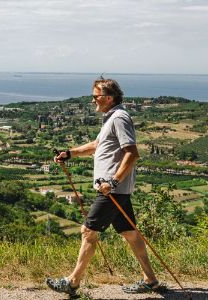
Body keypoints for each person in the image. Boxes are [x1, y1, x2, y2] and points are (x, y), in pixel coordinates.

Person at [46, 78, 161, 297]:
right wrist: (69, 153)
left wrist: (114, 181)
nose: (93, 100)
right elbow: (96, 146)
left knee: (88, 231)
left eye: (96, 96)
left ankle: (72, 282)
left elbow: (132, 153)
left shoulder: (119, 118)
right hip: (116, 190)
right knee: (130, 233)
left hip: (112, 190)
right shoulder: (110, 119)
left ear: (109, 98)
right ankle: (151, 280)